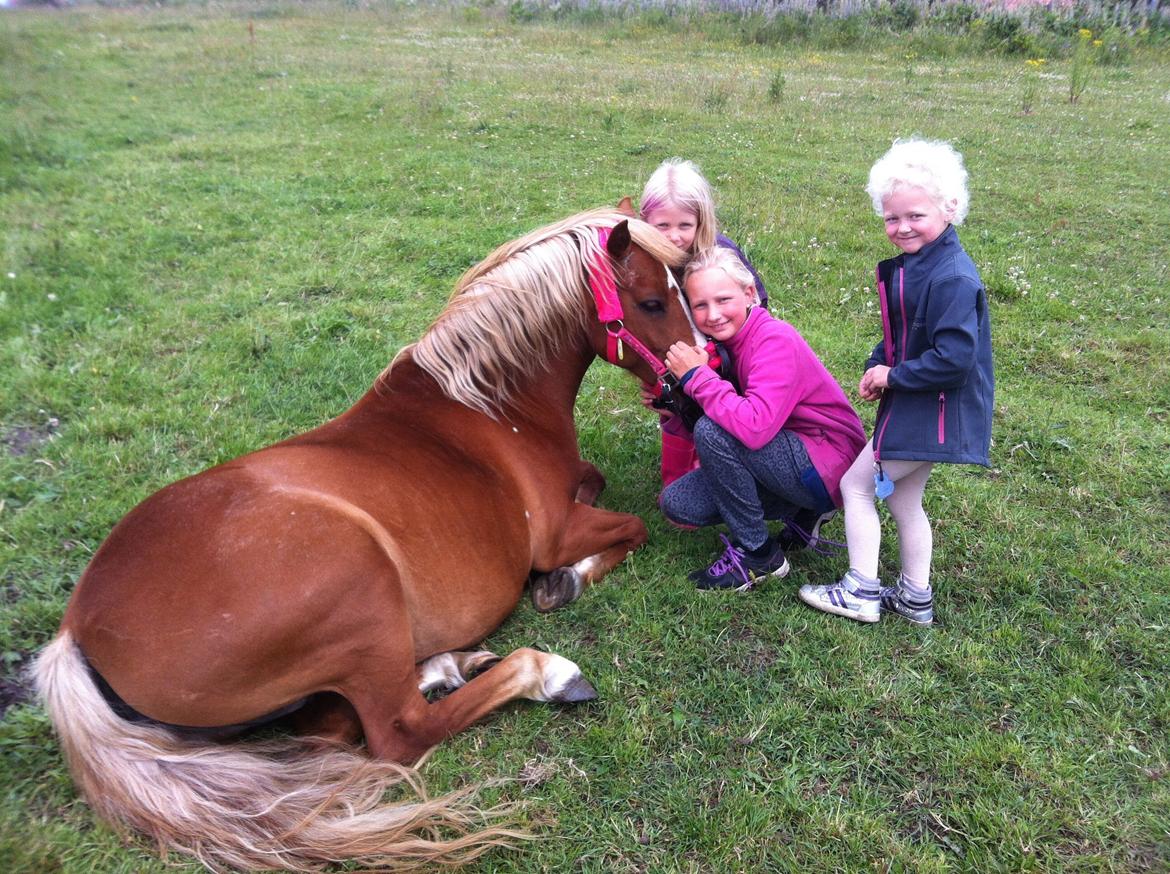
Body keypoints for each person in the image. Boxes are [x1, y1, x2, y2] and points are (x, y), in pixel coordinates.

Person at [798, 138, 994, 626]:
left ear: (950, 208)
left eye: (915, 215)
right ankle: (914, 597)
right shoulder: (923, 264)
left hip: (932, 410)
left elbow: (955, 360)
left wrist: (895, 375)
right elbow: (905, 331)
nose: (902, 226)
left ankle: (861, 590)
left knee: (856, 486)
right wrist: (878, 365)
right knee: (905, 499)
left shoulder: (951, 277)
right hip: (922, 405)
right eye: (892, 218)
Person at [658, 247, 866, 591]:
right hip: (784, 456)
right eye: (700, 305)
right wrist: (675, 405)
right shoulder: (722, 345)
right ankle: (802, 511)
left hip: (827, 462)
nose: (713, 314)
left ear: (749, 293)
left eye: (723, 299)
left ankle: (759, 554)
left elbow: (754, 427)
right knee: (679, 504)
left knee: (714, 431)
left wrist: (697, 378)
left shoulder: (774, 339)